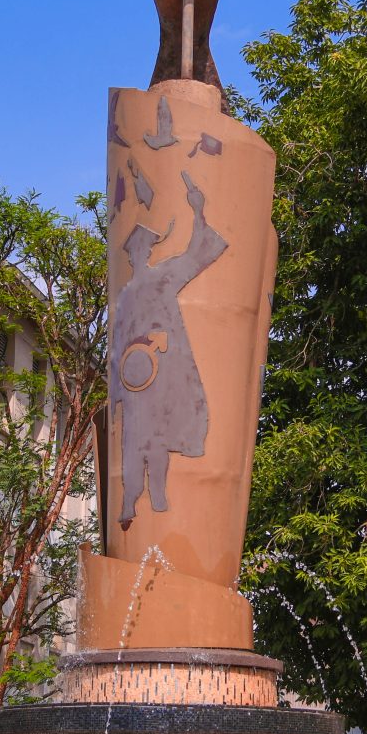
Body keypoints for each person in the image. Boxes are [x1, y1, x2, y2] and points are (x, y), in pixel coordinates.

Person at [113, 169, 227, 530]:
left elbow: (195, 256)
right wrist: (117, 389)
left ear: (148, 250)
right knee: (133, 441)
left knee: (157, 437)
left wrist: (198, 211)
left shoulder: (161, 277)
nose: (139, 253)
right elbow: (117, 344)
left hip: (160, 373)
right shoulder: (126, 295)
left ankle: (157, 494)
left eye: (143, 247)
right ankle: (131, 499)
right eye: (135, 249)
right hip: (134, 377)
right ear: (131, 256)